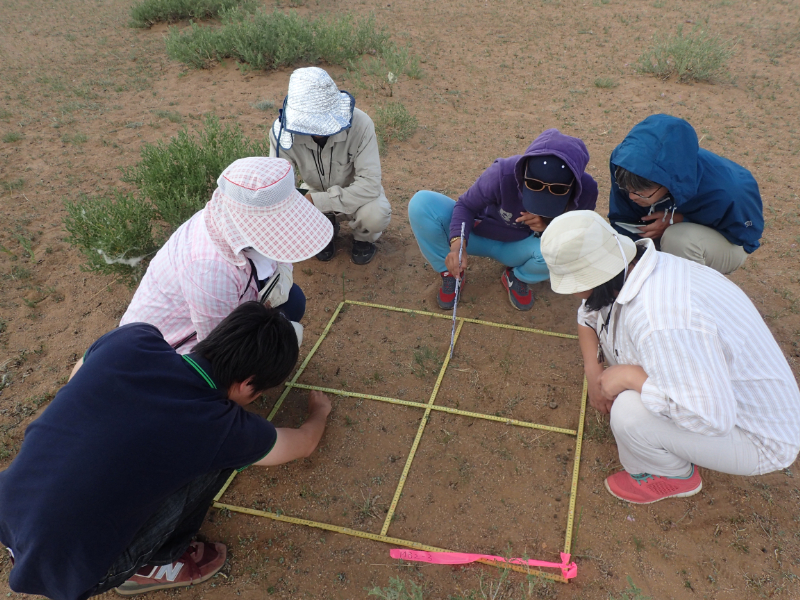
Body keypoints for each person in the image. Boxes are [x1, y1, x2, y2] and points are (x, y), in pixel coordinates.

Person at [0, 302, 333, 598]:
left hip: (9, 511)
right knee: (217, 463)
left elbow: (76, 380)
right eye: (259, 392)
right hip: (71, 572)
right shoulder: (221, 426)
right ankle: (156, 564)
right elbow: (303, 444)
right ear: (248, 383)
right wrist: (319, 413)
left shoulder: (132, 339)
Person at [540, 210, 800, 504]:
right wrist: (593, 369)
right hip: (722, 395)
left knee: (628, 413)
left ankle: (674, 475)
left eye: (576, 285)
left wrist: (629, 376)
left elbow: (710, 417)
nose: (575, 294)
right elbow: (589, 312)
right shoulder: (634, 268)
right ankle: (670, 444)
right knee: (631, 390)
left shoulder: (661, 321)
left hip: (756, 436)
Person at [121, 156, 333, 354]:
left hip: (223, 312)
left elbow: (281, 252)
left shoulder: (229, 217)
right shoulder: (209, 268)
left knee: (292, 302)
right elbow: (214, 347)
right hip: (173, 350)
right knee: (281, 342)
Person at [408, 129, 598, 311]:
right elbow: (466, 206)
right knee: (422, 203)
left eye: (556, 192)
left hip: (521, 248)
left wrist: (547, 226)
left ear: (574, 186)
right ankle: (450, 271)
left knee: (565, 252)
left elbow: (576, 236)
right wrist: (458, 246)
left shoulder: (587, 191)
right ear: (524, 173)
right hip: (477, 234)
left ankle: (518, 276)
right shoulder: (503, 172)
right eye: (533, 186)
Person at [608, 114, 763, 275]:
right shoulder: (623, 164)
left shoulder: (729, 191)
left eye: (641, 193)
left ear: (669, 183)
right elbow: (622, 219)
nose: (631, 197)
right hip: (662, 230)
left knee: (678, 239)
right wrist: (632, 260)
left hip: (724, 243)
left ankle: (688, 293)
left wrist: (679, 220)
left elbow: (744, 237)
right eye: (627, 189)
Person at [270, 66, 391, 265]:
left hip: (356, 195)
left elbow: (369, 185)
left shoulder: (361, 124)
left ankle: (363, 239)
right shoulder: (282, 135)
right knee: (288, 213)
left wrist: (316, 201)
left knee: (375, 214)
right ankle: (323, 232)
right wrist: (298, 205)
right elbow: (279, 187)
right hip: (313, 194)